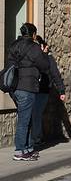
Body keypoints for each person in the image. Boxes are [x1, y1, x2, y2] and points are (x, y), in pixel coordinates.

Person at [5, 23, 50, 161]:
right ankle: (20, 151)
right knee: (24, 120)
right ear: (33, 34)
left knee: (26, 117)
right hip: (27, 87)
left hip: (15, 87)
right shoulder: (34, 47)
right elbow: (45, 65)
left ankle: (28, 149)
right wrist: (44, 54)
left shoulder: (14, 45)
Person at [31, 36, 66, 149]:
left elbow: (55, 75)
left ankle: (35, 139)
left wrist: (61, 90)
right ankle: (35, 139)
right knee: (34, 115)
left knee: (35, 115)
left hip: (42, 91)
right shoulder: (34, 57)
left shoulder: (47, 59)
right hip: (34, 90)